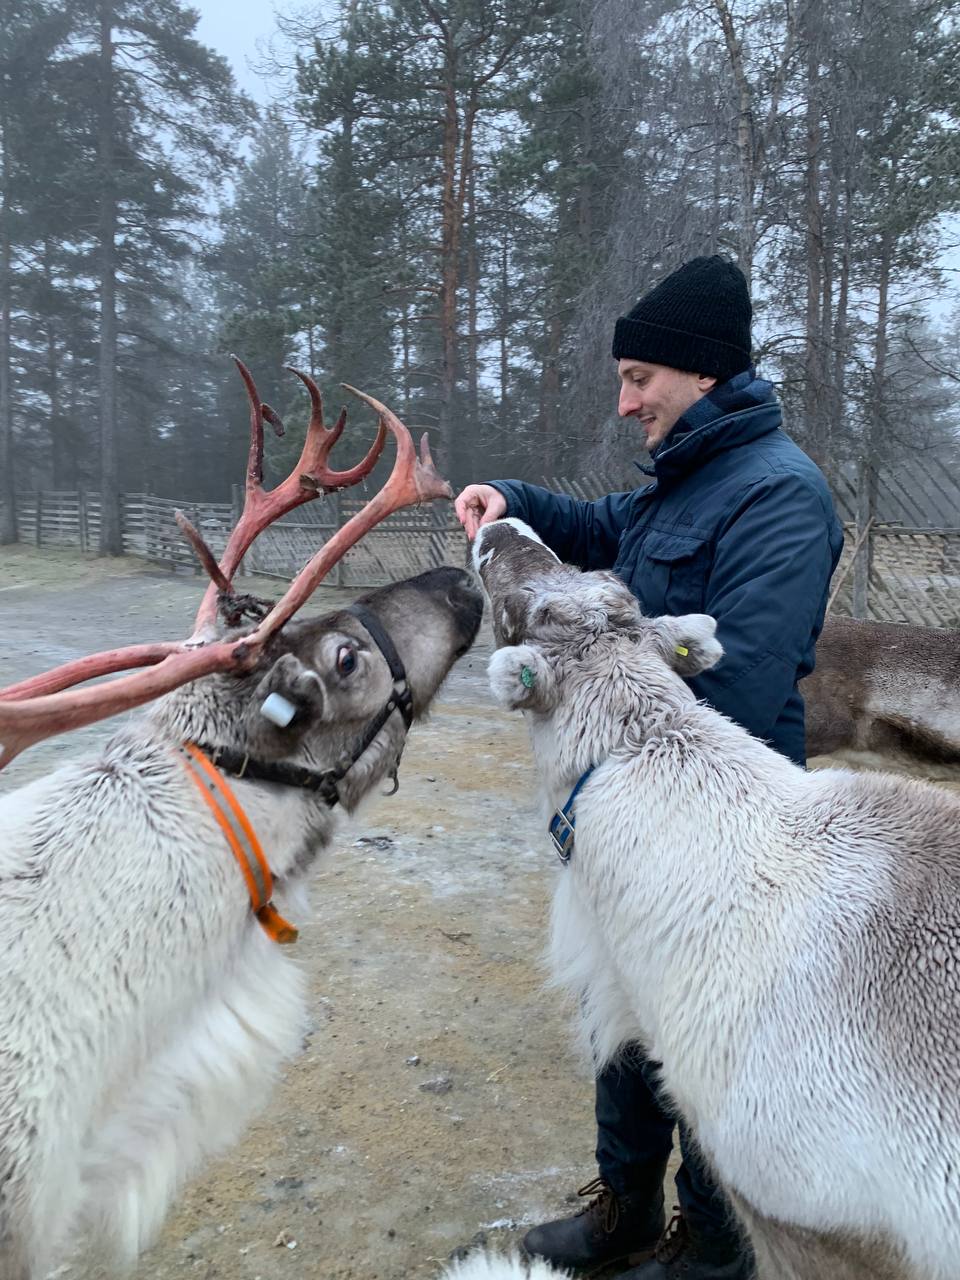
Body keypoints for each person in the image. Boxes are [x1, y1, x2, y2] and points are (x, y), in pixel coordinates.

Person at [454, 254, 844, 1280]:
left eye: (639, 378)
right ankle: (625, 1205)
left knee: (709, 1041)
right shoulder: (684, 480)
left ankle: (713, 1250)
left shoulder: (782, 498)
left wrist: (592, 699)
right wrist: (516, 501)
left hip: (726, 836)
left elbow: (745, 684)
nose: (625, 401)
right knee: (618, 1017)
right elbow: (599, 529)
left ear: (701, 371)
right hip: (627, 820)